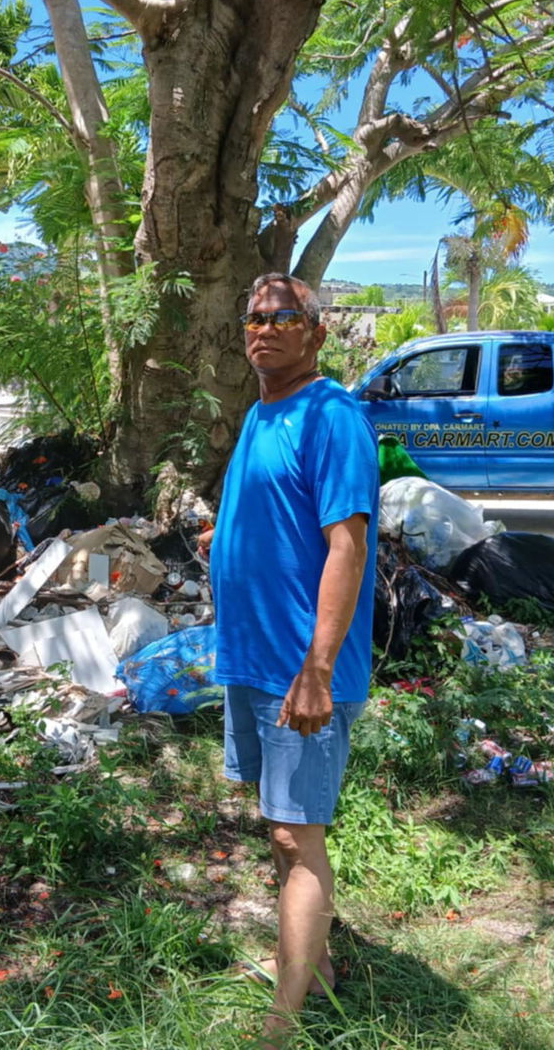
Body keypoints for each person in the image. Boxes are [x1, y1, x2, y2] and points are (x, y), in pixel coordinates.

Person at [202, 272, 379, 1046]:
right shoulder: (259, 412)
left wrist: (317, 669)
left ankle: (286, 1020)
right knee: (276, 822)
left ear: (316, 331)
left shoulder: (332, 415)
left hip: (299, 669)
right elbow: (276, 509)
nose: (263, 329)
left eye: (281, 317)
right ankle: (319, 968)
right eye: (254, 318)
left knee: (296, 835)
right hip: (252, 656)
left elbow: (349, 545)